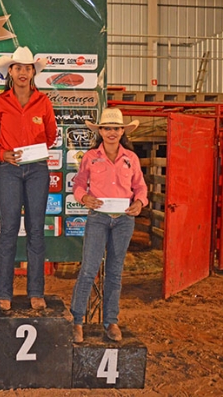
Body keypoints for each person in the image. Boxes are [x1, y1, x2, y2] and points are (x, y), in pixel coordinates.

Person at [0, 46, 57, 311]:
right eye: (18, 68)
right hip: (10, 170)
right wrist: (3, 154)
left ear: (33, 72)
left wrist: (33, 153)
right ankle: (4, 292)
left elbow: (51, 136)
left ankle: (36, 292)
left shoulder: (44, 102)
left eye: (28, 68)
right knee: (9, 231)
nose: (23, 72)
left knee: (36, 230)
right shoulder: (0, 102)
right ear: (10, 72)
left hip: (37, 169)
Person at [70, 107, 148, 343]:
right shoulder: (90, 157)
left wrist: (140, 202)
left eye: (116, 128)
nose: (112, 132)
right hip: (99, 217)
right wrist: (84, 197)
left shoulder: (131, 158)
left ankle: (111, 321)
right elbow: (79, 184)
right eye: (107, 128)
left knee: (115, 272)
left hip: (124, 219)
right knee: (89, 269)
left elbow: (141, 187)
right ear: (100, 131)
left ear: (122, 131)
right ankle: (77, 321)